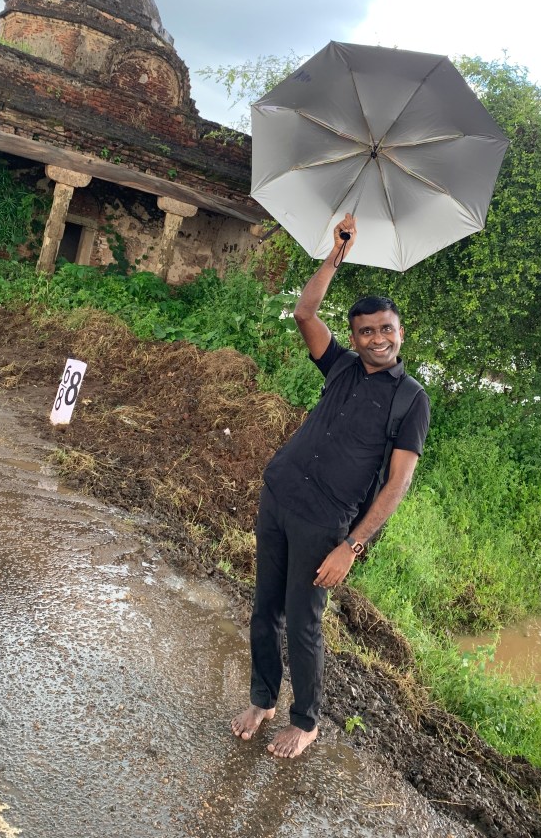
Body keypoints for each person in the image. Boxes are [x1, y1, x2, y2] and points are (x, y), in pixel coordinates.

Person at [231, 213, 430, 758]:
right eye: (366, 331)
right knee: (264, 608)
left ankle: (306, 721)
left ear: (400, 331)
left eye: (385, 329)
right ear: (356, 337)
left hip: (325, 522)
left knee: (303, 623)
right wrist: (338, 252)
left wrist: (352, 546)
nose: (377, 338)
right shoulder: (340, 365)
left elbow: (397, 484)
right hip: (279, 495)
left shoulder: (411, 399)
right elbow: (304, 312)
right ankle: (262, 699)